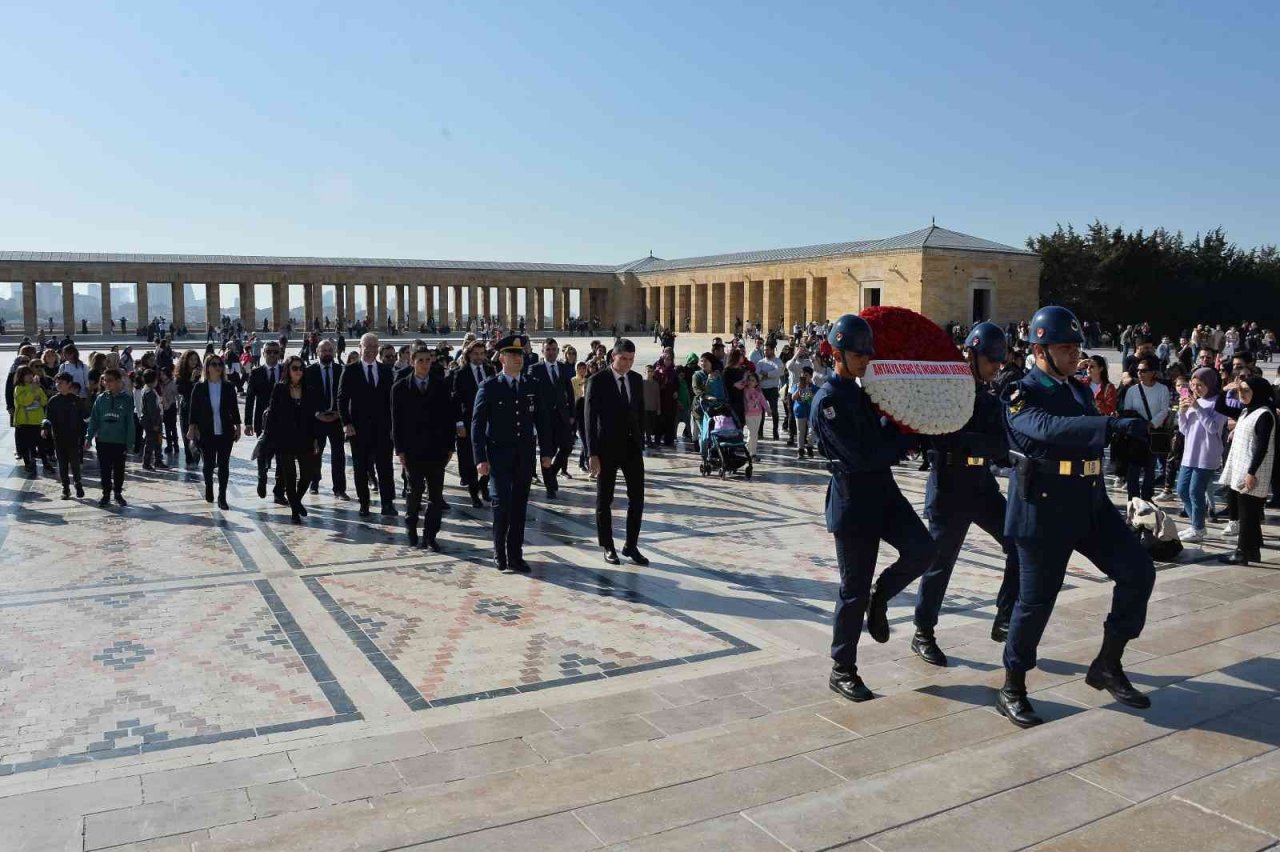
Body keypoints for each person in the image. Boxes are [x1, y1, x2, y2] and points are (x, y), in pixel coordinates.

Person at [996, 306, 1155, 728]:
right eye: (1064, 348)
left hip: (1089, 502)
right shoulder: (1021, 392)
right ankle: (1012, 685)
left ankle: (1107, 663)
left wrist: (1126, 442)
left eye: (1075, 347)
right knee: (1035, 604)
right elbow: (1045, 428)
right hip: (1042, 508)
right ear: (1040, 349)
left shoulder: (1080, 389)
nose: (1074, 355)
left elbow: (1084, 434)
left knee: (1138, 571)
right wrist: (1109, 426)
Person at [812, 315, 936, 703]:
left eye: (868, 353)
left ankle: (881, 596)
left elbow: (882, 437)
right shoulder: (828, 401)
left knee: (923, 550)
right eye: (857, 353)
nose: (865, 359)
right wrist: (902, 442)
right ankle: (842, 669)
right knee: (853, 590)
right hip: (853, 497)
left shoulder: (862, 392)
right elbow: (861, 455)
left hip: (883, 490)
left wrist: (907, 426)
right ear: (836, 353)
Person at [911, 323, 1021, 667]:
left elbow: (1001, 445)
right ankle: (923, 632)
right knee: (940, 564)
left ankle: (1004, 618)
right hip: (949, 485)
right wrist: (980, 441)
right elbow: (940, 437)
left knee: (1017, 544)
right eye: (991, 361)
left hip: (981, 484)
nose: (995, 368)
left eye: (998, 363)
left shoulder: (991, 397)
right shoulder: (945, 392)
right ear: (971, 355)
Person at [471, 335, 553, 572]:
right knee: (501, 505)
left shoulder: (531, 385)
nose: (519, 359)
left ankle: (515, 555)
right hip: (498, 455)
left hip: (524, 456)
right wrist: (480, 459)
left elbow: (543, 420)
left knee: (519, 507)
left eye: (521, 355)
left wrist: (546, 452)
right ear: (502, 358)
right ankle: (499, 552)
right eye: (514, 355)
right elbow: (477, 426)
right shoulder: (489, 387)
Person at [585, 338, 648, 567]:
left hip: (631, 448)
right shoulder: (597, 380)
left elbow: (640, 413)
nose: (627, 364)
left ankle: (631, 545)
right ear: (613, 356)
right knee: (605, 500)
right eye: (623, 359)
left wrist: (642, 439)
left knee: (637, 499)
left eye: (631, 360)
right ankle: (608, 545)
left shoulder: (636, 379)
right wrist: (592, 453)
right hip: (606, 449)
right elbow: (589, 420)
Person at [391, 347, 456, 549]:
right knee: (414, 492)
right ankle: (411, 528)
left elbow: (448, 418)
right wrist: (400, 450)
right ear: (412, 362)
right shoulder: (400, 387)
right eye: (421, 360)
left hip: (436, 450)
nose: (425, 364)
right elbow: (396, 422)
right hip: (413, 450)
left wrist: (450, 447)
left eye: (428, 360)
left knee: (436, 496)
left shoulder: (441, 385)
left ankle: (430, 535)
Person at [338, 332, 398, 518]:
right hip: (359, 428)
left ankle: (387, 504)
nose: (371, 350)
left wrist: (393, 427)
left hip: (383, 429)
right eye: (367, 346)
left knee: (385, 467)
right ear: (360, 347)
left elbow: (393, 401)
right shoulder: (350, 370)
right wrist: (346, 423)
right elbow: (341, 399)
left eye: (374, 346)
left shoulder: (387, 371)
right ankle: (364, 503)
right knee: (361, 467)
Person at [1217, 375, 1274, 565]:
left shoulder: (1264, 414)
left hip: (1253, 471)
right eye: (1240, 390)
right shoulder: (1247, 410)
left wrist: (1251, 472)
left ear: (1257, 392)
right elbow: (1220, 407)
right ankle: (1253, 551)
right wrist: (1225, 390)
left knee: (1247, 515)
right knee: (1249, 513)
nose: (1241, 394)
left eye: (1246, 390)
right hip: (1242, 468)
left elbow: (1262, 446)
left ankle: (1242, 552)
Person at [264, 355, 318, 523]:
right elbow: (272, 414)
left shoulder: (309, 389)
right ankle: (295, 511)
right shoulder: (279, 389)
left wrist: (316, 438)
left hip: (305, 438)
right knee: (289, 476)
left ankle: (296, 501)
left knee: (307, 475)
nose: (298, 372)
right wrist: (268, 437)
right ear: (288, 370)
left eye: (301, 368)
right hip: (285, 439)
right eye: (295, 368)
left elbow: (313, 416)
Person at [187, 354, 241, 509]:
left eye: (220, 364)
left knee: (224, 465)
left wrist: (238, 426)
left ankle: (222, 496)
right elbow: (194, 409)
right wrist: (192, 428)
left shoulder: (228, 386)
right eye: (214, 364)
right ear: (207, 367)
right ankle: (209, 485)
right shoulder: (200, 386)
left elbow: (234, 408)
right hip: (206, 431)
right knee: (208, 464)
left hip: (225, 431)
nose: (218, 367)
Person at [527, 338, 575, 498]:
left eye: (554, 349)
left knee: (567, 446)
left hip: (562, 416)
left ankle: (552, 472)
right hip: (543, 417)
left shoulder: (563, 368)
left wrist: (572, 414)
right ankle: (550, 486)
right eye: (548, 349)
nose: (551, 352)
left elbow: (570, 392)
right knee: (547, 452)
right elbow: (530, 395)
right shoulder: (534, 369)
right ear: (542, 351)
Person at [85, 367, 135, 507]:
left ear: (119, 381)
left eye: (110, 380)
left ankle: (118, 493)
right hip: (103, 441)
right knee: (105, 469)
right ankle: (106, 494)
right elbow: (94, 419)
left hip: (119, 442)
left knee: (119, 469)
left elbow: (130, 422)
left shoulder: (126, 399)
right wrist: (88, 437)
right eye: (104, 380)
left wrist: (130, 442)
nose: (107, 383)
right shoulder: (101, 399)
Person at [452, 340, 493, 508]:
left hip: (489, 423)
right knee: (469, 459)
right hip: (468, 422)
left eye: (482, 353)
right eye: (476, 353)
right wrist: (459, 423)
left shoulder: (491, 370)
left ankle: (484, 485)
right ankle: (473, 492)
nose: (479, 357)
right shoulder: (460, 373)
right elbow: (456, 400)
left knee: (489, 456)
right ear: (469, 355)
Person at [305, 339, 348, 498]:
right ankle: (314, 483)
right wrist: (316, 413)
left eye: (330, 350)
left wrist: (339, 413)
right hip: (317, 419)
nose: (327, 353)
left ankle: (339, 488)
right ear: (317, 352)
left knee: (339, 455)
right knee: (316, 453)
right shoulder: (309, 371)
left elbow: (345, 395)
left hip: (336, 418)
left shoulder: (341, 370)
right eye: (324, 351)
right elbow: (306, 397)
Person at [244, 342, 285, 504]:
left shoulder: (285, 371)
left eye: (276, 352)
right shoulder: (256, 373)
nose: (273, 355)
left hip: (283, 422)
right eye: (269, 352)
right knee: (263, 452)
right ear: (263, 354)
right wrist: (247, 423)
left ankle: (279, 492)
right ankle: (262, 478)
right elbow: (249, 399)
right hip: (262, 421)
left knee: (282, 458)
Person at [45, 372, 85, 498]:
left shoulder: (76, 400)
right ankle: (65, 487)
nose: (58, 385)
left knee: (75, 463)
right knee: (62, 463)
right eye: (57, 382)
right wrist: (45, 428)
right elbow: (48, 418)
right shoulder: (53, 401)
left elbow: (84, 418)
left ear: (69, 384)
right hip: (58, 437)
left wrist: (85, 434)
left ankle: (78, 483)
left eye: (61, 383)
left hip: (74, 437)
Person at [12, 366, 47, 475]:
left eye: (30, 374)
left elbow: (44, 401)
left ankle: (44, 462)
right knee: (26, 445)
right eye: (26, 374)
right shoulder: (19, 388)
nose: (29, 376)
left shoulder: (38, 387)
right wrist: (33, 392)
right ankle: (28, 463)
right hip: (24, 422)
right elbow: (25, 401)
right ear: (21, 377)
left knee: (39, 444)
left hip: (37, 421)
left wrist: (38, 393)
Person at [140, 369, 167, 471]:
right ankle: (147, 462)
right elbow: (153, 410)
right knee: (151, 441)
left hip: (153, 420)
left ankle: (158, 460)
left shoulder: (148, 390)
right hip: (152, 422)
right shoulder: (149, 392)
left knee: (158, 441)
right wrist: (156, 423)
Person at [739, 371, 768, 460]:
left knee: (755, 434)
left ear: (756, 382)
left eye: (753, 380)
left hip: (758, 414)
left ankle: (753, 453)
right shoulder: (745, 391)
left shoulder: (758, 391)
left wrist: (768, 409)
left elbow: (763, 401)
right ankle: (748, 452)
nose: (751, 382)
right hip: (749, 415)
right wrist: (754, 400)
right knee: (751, 433)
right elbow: (747, 403)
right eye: (749, 380)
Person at [791, 368, 816, 458]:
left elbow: (812, 399)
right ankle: (800, 450)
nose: (804, 377)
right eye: (802, 375)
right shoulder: (796, 385)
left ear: (811, 377)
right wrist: (799, 389)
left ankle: (809, 447)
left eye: (806, 375)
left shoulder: (813, 387)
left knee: (811, 431)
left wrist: (808, 390)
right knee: (800, 431)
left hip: (810, 412)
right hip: (800, 411)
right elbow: (793, 398)